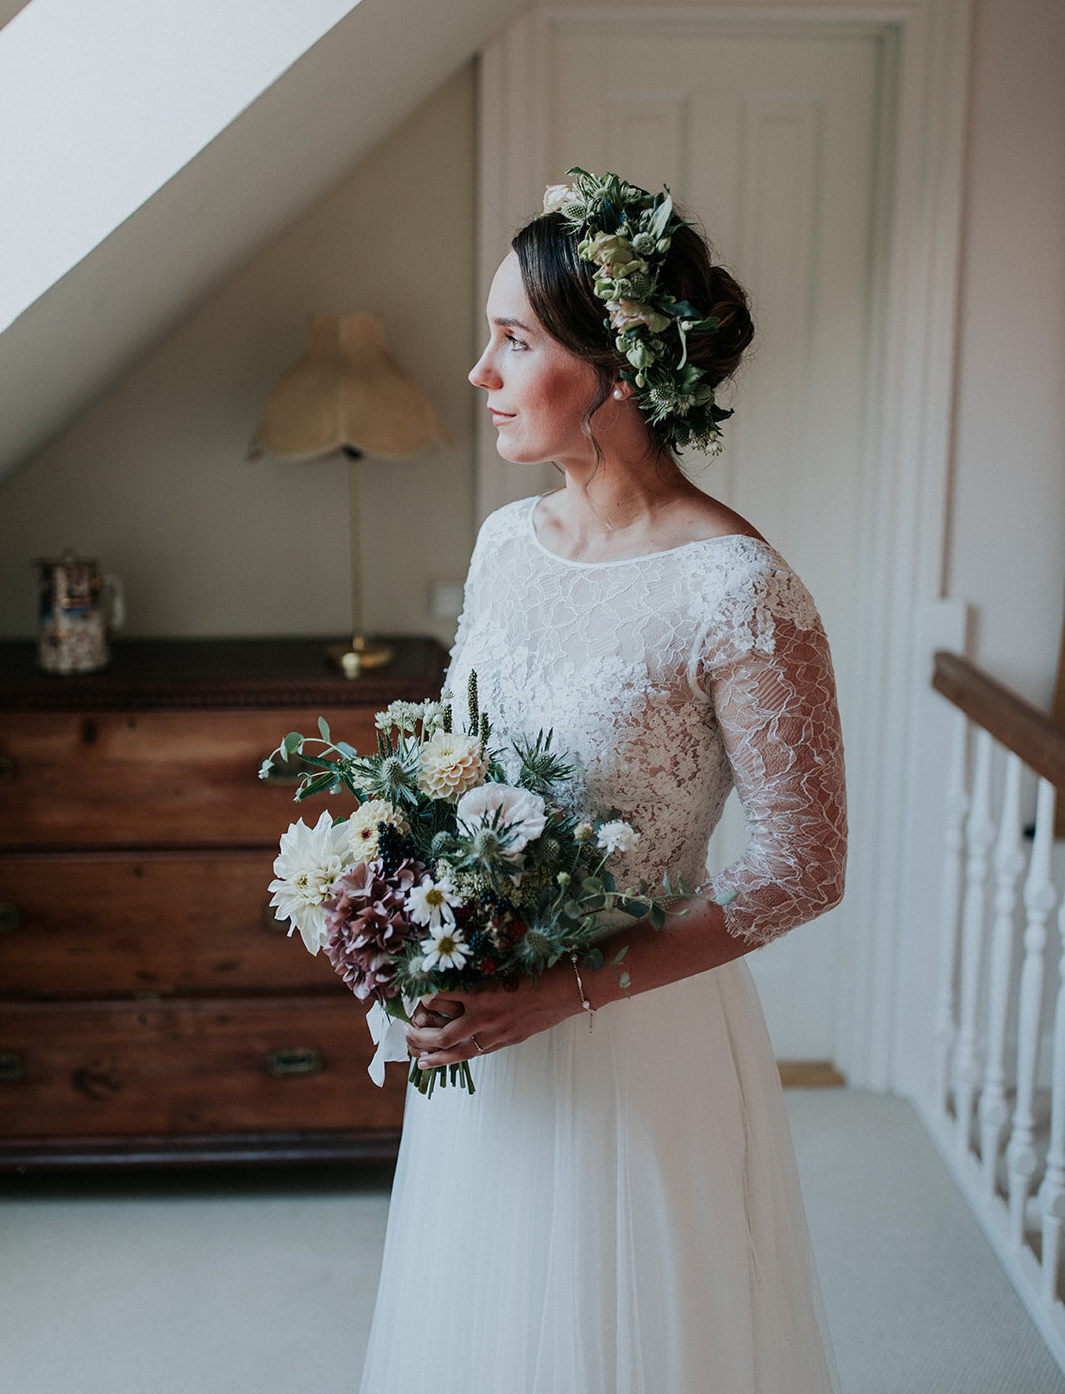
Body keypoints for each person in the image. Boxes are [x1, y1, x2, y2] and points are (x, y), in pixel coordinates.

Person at [357, 170, 847, 1394]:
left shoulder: (737, 589)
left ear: (618, 370)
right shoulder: (502, 544)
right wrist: (401, 922)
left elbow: (803, 867)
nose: (480, 374)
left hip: (638, 1034)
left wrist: (562, 991)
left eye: (513, 342)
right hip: (490, 1034)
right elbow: (450, 771)